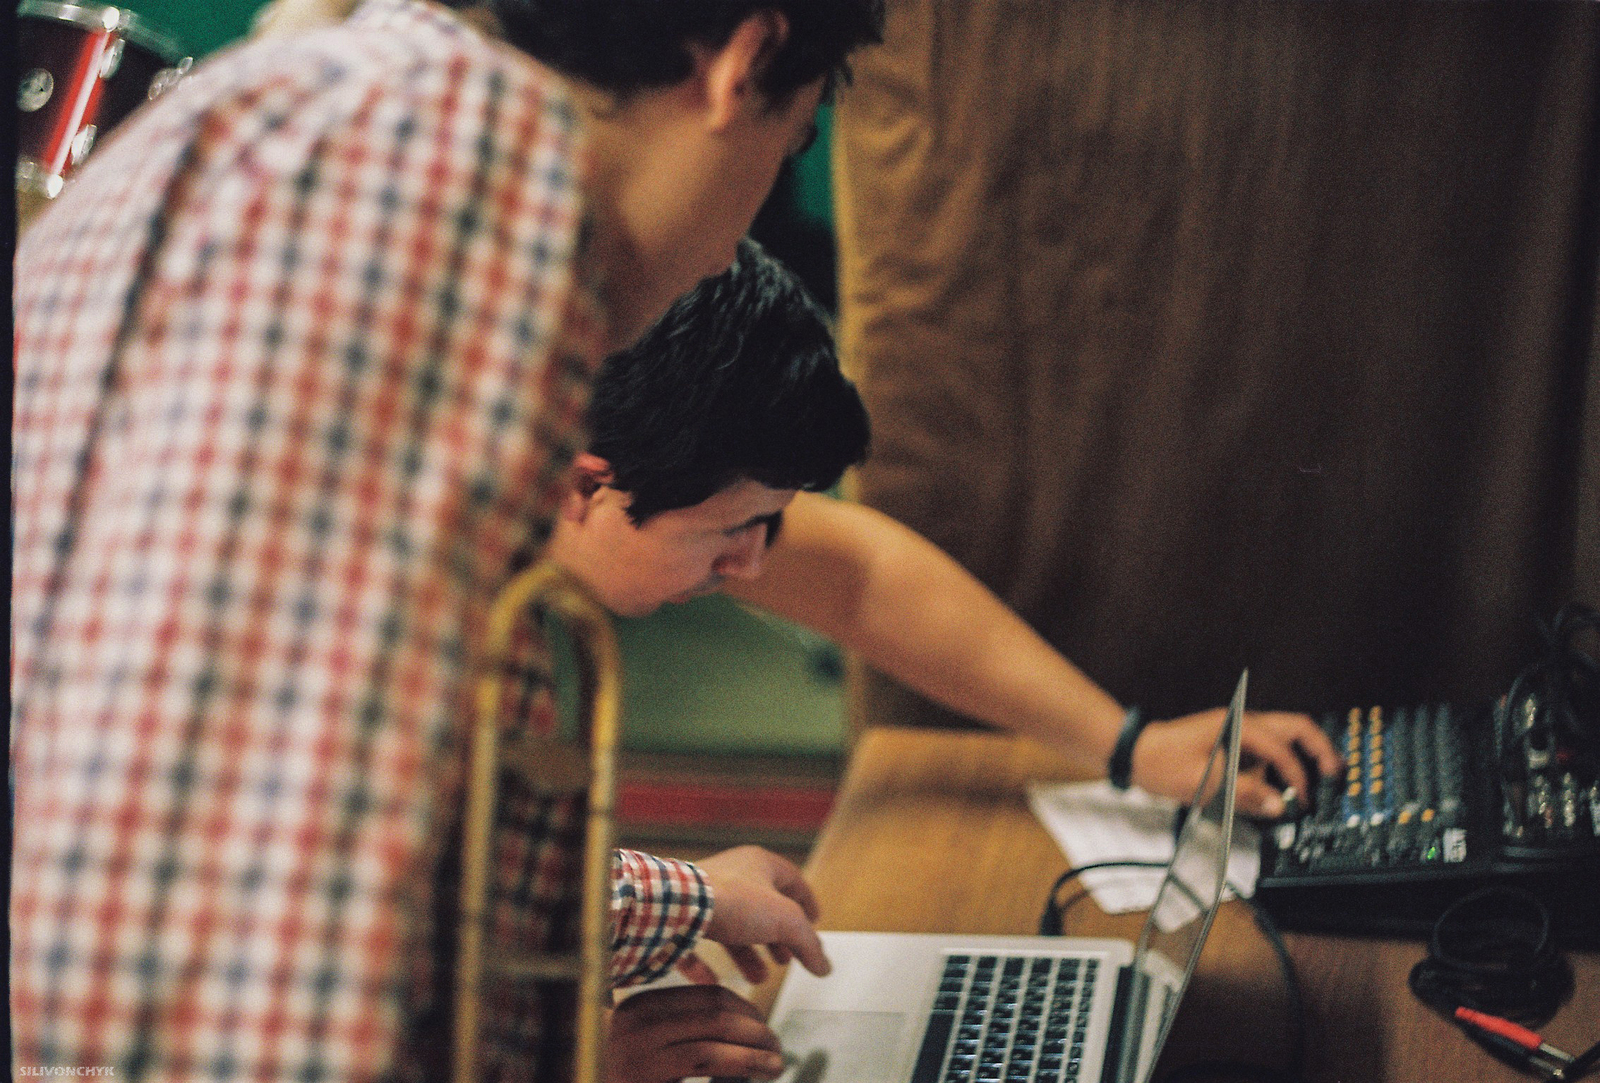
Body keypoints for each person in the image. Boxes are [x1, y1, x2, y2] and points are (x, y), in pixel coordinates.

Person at [10, 2, 882, 1081]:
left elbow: (325, 820)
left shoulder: (327, 113)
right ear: (743, 64)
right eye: (787, 141)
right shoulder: (448, 165)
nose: (726, 255)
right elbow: (245, 960)